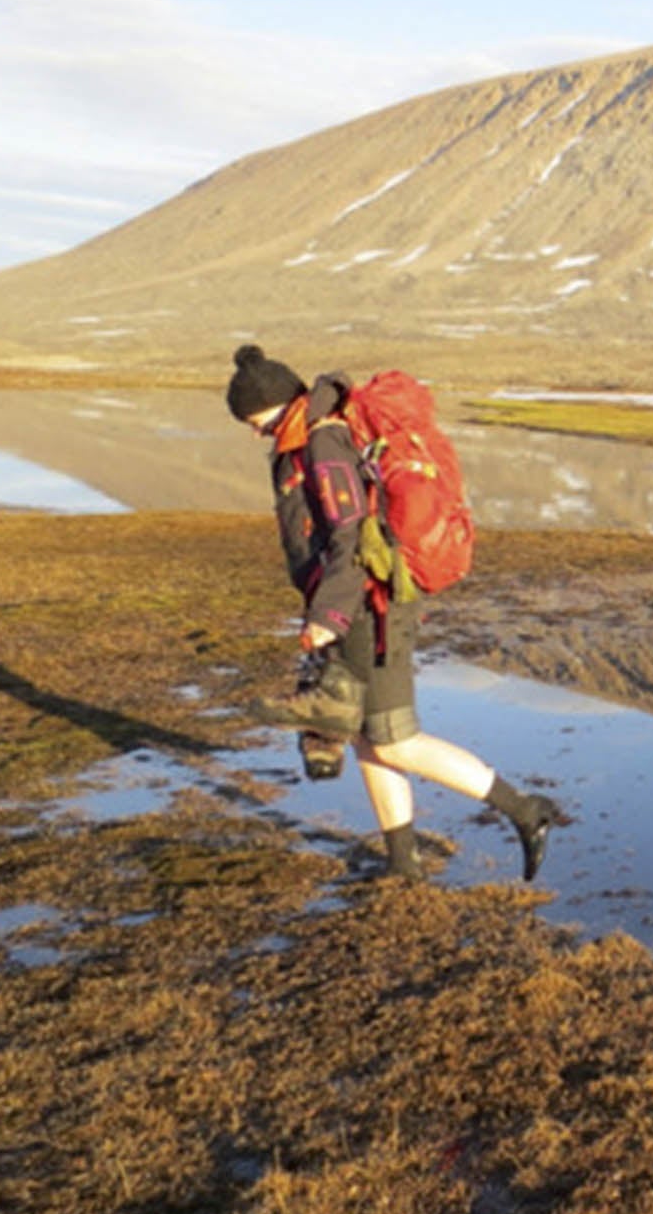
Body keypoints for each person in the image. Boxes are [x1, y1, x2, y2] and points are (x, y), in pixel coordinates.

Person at [226, 344, 562, 882]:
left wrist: (326, 618)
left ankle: (526, 811)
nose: (253, 432)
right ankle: (403, 863)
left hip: (369, 608)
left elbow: (347, 537)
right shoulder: (306, 440)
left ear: (276, 406)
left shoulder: (323, 444)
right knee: (366, 737)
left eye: (255, 422)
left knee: (394, 739)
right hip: (352, 605)